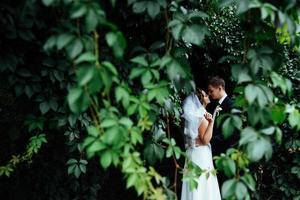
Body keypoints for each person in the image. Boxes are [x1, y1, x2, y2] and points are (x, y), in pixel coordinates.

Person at [180, 90, 221, 200]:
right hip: (201, 155)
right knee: (203, 184)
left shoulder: (191, 117)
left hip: (192, 154)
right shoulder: (201, 117)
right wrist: (211, 123)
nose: (208, 96)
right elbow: (206, 140)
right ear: (201, 99)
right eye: (205, 95)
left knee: (194, 185)